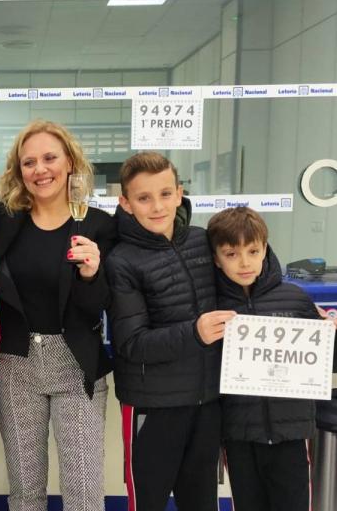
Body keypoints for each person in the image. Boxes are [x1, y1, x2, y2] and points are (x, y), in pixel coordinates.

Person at [0, 120, 115, 511]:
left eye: (49, 158)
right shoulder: (1, 220)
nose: (39, 170)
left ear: (69, 163)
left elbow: (100, 304)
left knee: (83, 488)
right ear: (18, 171)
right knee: (25, 489)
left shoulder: (97, 224)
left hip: (75, 361)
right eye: (29, 162)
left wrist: (93, 274)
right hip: (15, 361)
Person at [206, 206, 337, 511]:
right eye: (231, 253)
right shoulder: (211, 304)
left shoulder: (294, 298)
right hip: (239, 434)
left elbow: (332, 363)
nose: (244, 262)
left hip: (291, 435)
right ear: (216, 257)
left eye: (253, 251)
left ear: (265, 249)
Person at [105, 151, 235, 511]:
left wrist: (307, 310)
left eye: (165, 194)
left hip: (207, 401)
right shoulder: (121, 261)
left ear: (179, 193)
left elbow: (251, 277)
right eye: (144, 198)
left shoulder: (202, 240)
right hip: (154, 407)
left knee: (202, 503)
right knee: (148, 503)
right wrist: (195, 333)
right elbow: (131, 344)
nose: (157, 206)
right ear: (126, 203)